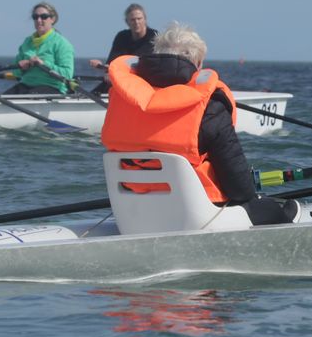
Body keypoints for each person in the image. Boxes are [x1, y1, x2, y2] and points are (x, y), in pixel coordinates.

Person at [102, 22, 296, 226]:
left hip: (133, 215)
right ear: (198, 63)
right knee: (266, 207)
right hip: (197, 216)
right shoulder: (209, 104)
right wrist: (255, 200)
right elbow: (238, 186)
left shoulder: (122, 98)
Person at [7, 1, 75, 95]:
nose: (39, 20)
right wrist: (22, 68)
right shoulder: (27, 42)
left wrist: (44, 64)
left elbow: (67, 74)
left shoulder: (62, 43)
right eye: (35, 17)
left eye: (43, 17)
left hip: (52, 87)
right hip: (26, 85)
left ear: (52, 19)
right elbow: (16, 73)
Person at [88, 3, 155, 93]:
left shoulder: (154, 37)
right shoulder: (121, 36)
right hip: (121, 81)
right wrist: (101, 66)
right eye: (132, 20)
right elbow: (111, 63)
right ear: (127, 22)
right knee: (93, 94)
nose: (136, 22)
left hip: (143, 84)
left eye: (139, 19)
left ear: (145, 19)